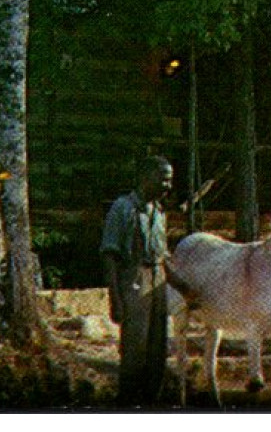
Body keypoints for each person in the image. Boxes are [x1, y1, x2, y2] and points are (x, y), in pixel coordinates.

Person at [101, 155, 174, 406]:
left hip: (158, 281)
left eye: (170, 180)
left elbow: (164, 256)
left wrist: (183, 288)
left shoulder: (159, 212)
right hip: (133, 280)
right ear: (145, 177)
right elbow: (110, 254)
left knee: (158, 349)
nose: (168, 185)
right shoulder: (122, 209)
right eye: (163, 179)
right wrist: (115, 298)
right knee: (135, 350)